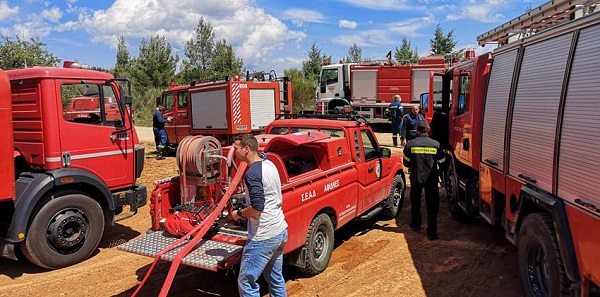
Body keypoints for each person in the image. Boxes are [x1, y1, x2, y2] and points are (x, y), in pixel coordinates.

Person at [230, 134, 288, 297]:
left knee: (246, 282)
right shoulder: (269, 163)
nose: (234, 152)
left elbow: (257, 207)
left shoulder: (252, 173)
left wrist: (239, 213)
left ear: (246, 149)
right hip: (280, 231)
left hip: (263, 237)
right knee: (275, 278)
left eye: (236, 148)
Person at [402, 120, 445, 241]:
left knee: (415, 202)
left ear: (417, 130)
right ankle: (432, 233)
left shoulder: (410, 144)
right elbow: (442, 162)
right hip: (431, 179)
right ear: (428, 129)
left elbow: (406, 162)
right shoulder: (436, 144)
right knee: (432, 205)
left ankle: (416, 225)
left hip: (416, 178)